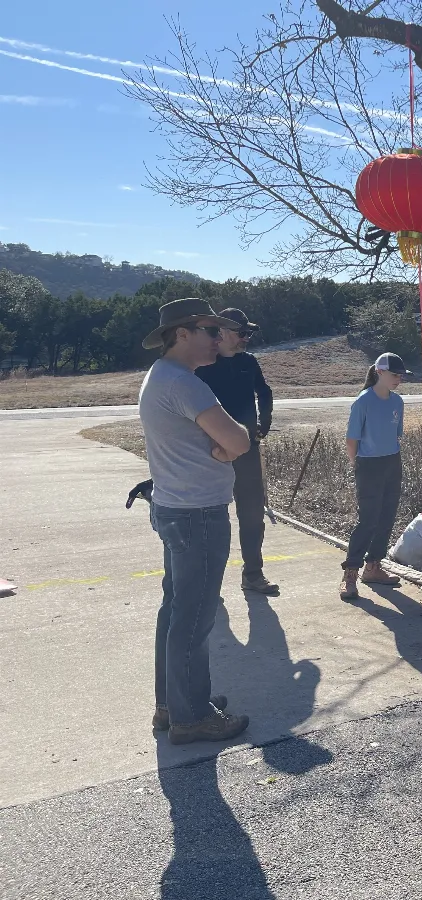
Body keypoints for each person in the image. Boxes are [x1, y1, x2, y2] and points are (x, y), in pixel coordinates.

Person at [138, 298, 253, 744]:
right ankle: (190, 718)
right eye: (210, 330)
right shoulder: (186, 384)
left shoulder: (161, 377)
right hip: (198, 513)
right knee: (195, 616)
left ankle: (174, 703)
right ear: (181, 334)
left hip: (174, 508)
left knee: (175, 611)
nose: (218, 338)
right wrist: (226, 448)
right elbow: (239, 440)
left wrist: (221, 448)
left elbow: (224, 443)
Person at [195, 308, 277, 596]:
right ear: (223, 332)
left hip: (247, 449)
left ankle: (253, 574)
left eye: (249, 333)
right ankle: (205, 580)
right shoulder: (203, 364)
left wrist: (264, 422)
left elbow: (264, 391)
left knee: (253, 513)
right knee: (209, 515)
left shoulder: (249, 362)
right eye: (242, 333)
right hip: (210, 451)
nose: (246, 338)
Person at [339, 353, 414, 601]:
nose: (398, 380)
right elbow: (352, 440)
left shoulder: (397, 402)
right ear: (379, 372)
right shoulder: (363, 402)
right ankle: (350, 572)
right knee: (368, 519)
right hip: (368, 465)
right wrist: (357, 464)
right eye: (394, 375)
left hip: (392, 462)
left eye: (401, 376)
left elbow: (396, 435)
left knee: (386, 516)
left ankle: (373, 567)